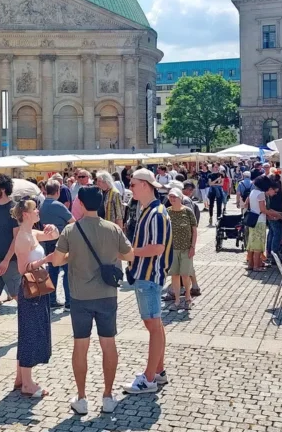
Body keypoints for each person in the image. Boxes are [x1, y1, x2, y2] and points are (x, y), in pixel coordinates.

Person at [49, 186, 133, 415]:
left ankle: (82, 397)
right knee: (109, 344)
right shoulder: (113, 228)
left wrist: (71, 255)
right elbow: (129, 254)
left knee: (81, 346)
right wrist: (110, 255)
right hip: (107, 294)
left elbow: (56, 261)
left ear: (81, 204)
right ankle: (107, 396)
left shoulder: (71, 230)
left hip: (80, 296)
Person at [123, 168, 172, 395]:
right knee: (155, 325)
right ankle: (158, 371)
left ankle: (149, 378)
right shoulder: (148, 210)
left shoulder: (156, 213)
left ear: (145, 184)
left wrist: (131, 253)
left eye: (132, 184)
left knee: (153, 326)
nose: (130, 188)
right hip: (147, 275)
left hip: (149, 275)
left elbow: (158, 248)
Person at [10, 200, 60, 398]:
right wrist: (46, 260)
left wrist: (53, 228)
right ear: (25, 214)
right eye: (34, 209)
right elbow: (23, 269)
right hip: (30, 290)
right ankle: (28, 384)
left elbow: (53, 235)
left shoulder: (32, 233)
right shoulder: (23, 237)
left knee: (29, 331)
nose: (38, 211)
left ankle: (21, 378)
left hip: (37, 290)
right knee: (30, 333)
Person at [40, 180, 75, 310]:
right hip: (62, 242)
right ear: (58, 191)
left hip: (47, 242)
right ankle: (69, 301)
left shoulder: (42, 205)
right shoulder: (58, 205)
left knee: (53, 271)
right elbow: (73, 222)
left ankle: (52, 300)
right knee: (66, 271)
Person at [0, 174, 22, 302]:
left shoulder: (14, 209)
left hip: (10, 262)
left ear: (3, 189)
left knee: (17, 296)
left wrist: (6, 260)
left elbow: (16, 237)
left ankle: (29, 322)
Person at [166, 189, 197, 311]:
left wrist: (193, 247)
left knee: (185, 274)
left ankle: (188, 298)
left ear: (180, 198)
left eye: (175, 197)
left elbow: (194, 230)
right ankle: (177, 300)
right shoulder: (167, 212)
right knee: (174, 275)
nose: (172, 199)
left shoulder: (188, 211)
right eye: (171, 197)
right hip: (172, 249)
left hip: (186, 248)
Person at [246, 175, 274, 272]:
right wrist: (273, 214)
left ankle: (251, 264)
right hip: (260, 220)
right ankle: (256, 266)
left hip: (253, 219)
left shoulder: (252, 192)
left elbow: (248, 205)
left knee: (252, 243)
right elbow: (263, 209)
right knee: (258, 244)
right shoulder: (261, 194)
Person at [265, 177, 282, 264]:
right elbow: (268, 209)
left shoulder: (269, 196)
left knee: (272, 234)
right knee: (276, 235)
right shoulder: (268, 196)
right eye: (275, 191)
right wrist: (280, 215)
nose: (276, 193)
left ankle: (270, 253)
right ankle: (274, 255)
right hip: (274, 217)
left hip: (273, 216)